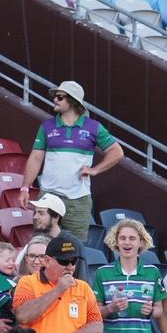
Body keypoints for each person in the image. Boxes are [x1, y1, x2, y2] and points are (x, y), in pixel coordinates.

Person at [19, 82, 121, 240]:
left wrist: (95, 170)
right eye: (55, 97)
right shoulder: (46, 126)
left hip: (79, 199)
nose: (55, 100)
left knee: (74, 249)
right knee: (42, 243)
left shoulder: (94, 127)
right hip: (48, 195)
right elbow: (36, 158)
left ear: (73, 101)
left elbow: (117, 152)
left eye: (60, 97)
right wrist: (25, 188)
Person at [13, 233, 101, 333]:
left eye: (74, 261)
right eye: (64, 261)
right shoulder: (27, 282)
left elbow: (97, 325)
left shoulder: (83, 288)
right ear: (47, 261)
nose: (70, 266)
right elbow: (23, 316)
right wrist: (58, 290)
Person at [93, 219, 167, 333]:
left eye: (132, 238)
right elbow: (94, 313)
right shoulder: (102, 273)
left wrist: (150, 311)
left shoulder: (152, 272)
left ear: (141, 242)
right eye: (122, 238)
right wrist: (111, 308)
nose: (127, 242)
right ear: (116, 242)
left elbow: (159, 310)